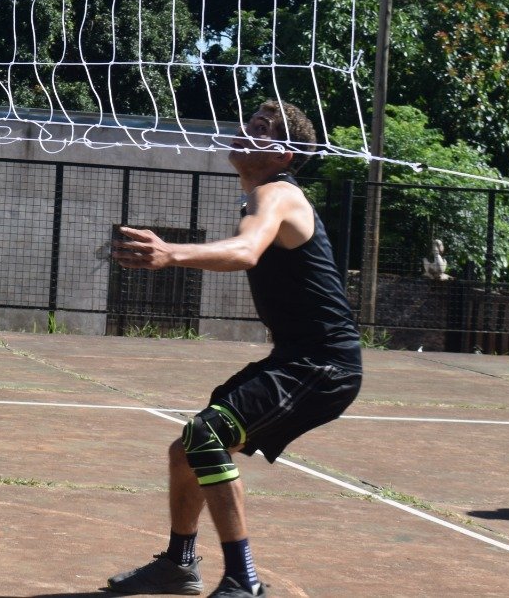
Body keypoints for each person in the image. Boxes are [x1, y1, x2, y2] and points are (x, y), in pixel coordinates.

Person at [106, 100, 361, 598]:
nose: (247, 131)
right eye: (249, 122)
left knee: (205, 438)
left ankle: (244, 581)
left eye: (263, 129)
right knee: (187, 451)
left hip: (324, 364)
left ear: (286, 155)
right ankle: (178, 566)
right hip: (297, 358)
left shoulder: (278, 194)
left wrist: (170, 252)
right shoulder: (260, 197)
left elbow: (246, 252)